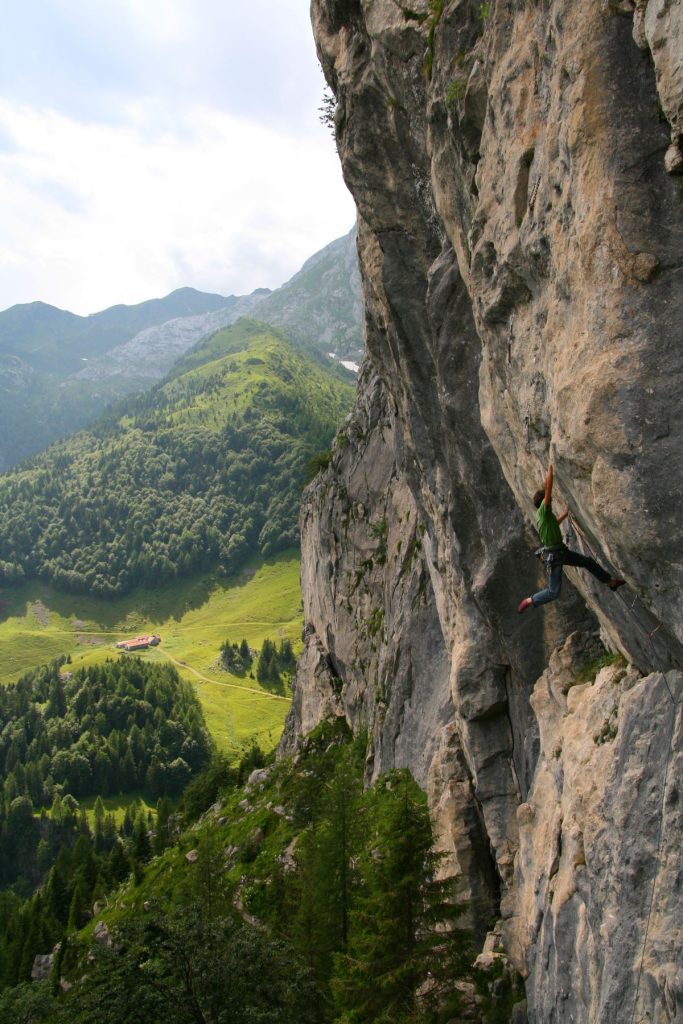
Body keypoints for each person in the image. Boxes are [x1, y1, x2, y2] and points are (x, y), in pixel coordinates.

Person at [518, 462, 624, 613]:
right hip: (554, 556)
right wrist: (550, 471)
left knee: (588, 562)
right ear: (543, 503)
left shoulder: (545, 518)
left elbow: (555, 523)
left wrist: (565, 514)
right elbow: (548, 490)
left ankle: (611, 582)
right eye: (548, 500)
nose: (551, 501)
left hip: (561, 553)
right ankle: (530, 600)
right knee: (554, 591)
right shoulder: (543, 511)